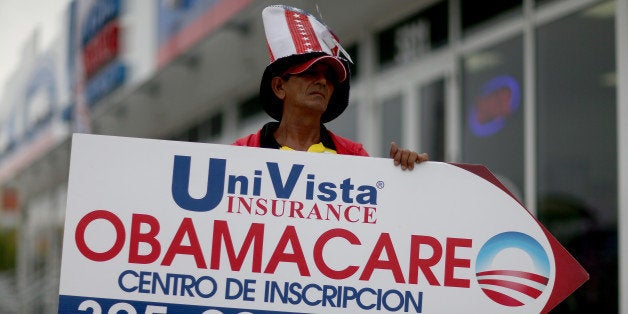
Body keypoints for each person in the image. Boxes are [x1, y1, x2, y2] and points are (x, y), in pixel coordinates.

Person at [234, 5, 428, 170]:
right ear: (279, 86)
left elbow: (385, 209)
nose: (322, 81)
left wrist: (405, 174)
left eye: (329, 76)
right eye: (310, 71)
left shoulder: (354, 156)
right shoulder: (240, 153)